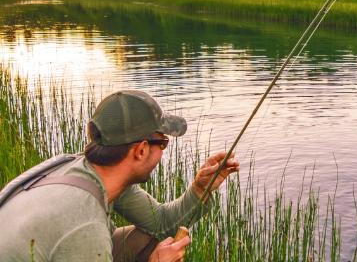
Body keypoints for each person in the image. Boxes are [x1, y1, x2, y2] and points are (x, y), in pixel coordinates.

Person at [0, 90, 239, 261]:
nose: (163, 151)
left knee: (146, 238)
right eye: (163, 143)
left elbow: (160, 224)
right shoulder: (85, 226)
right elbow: (82, 232)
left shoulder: (84, 170)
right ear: (141, 150)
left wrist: (200, 189)